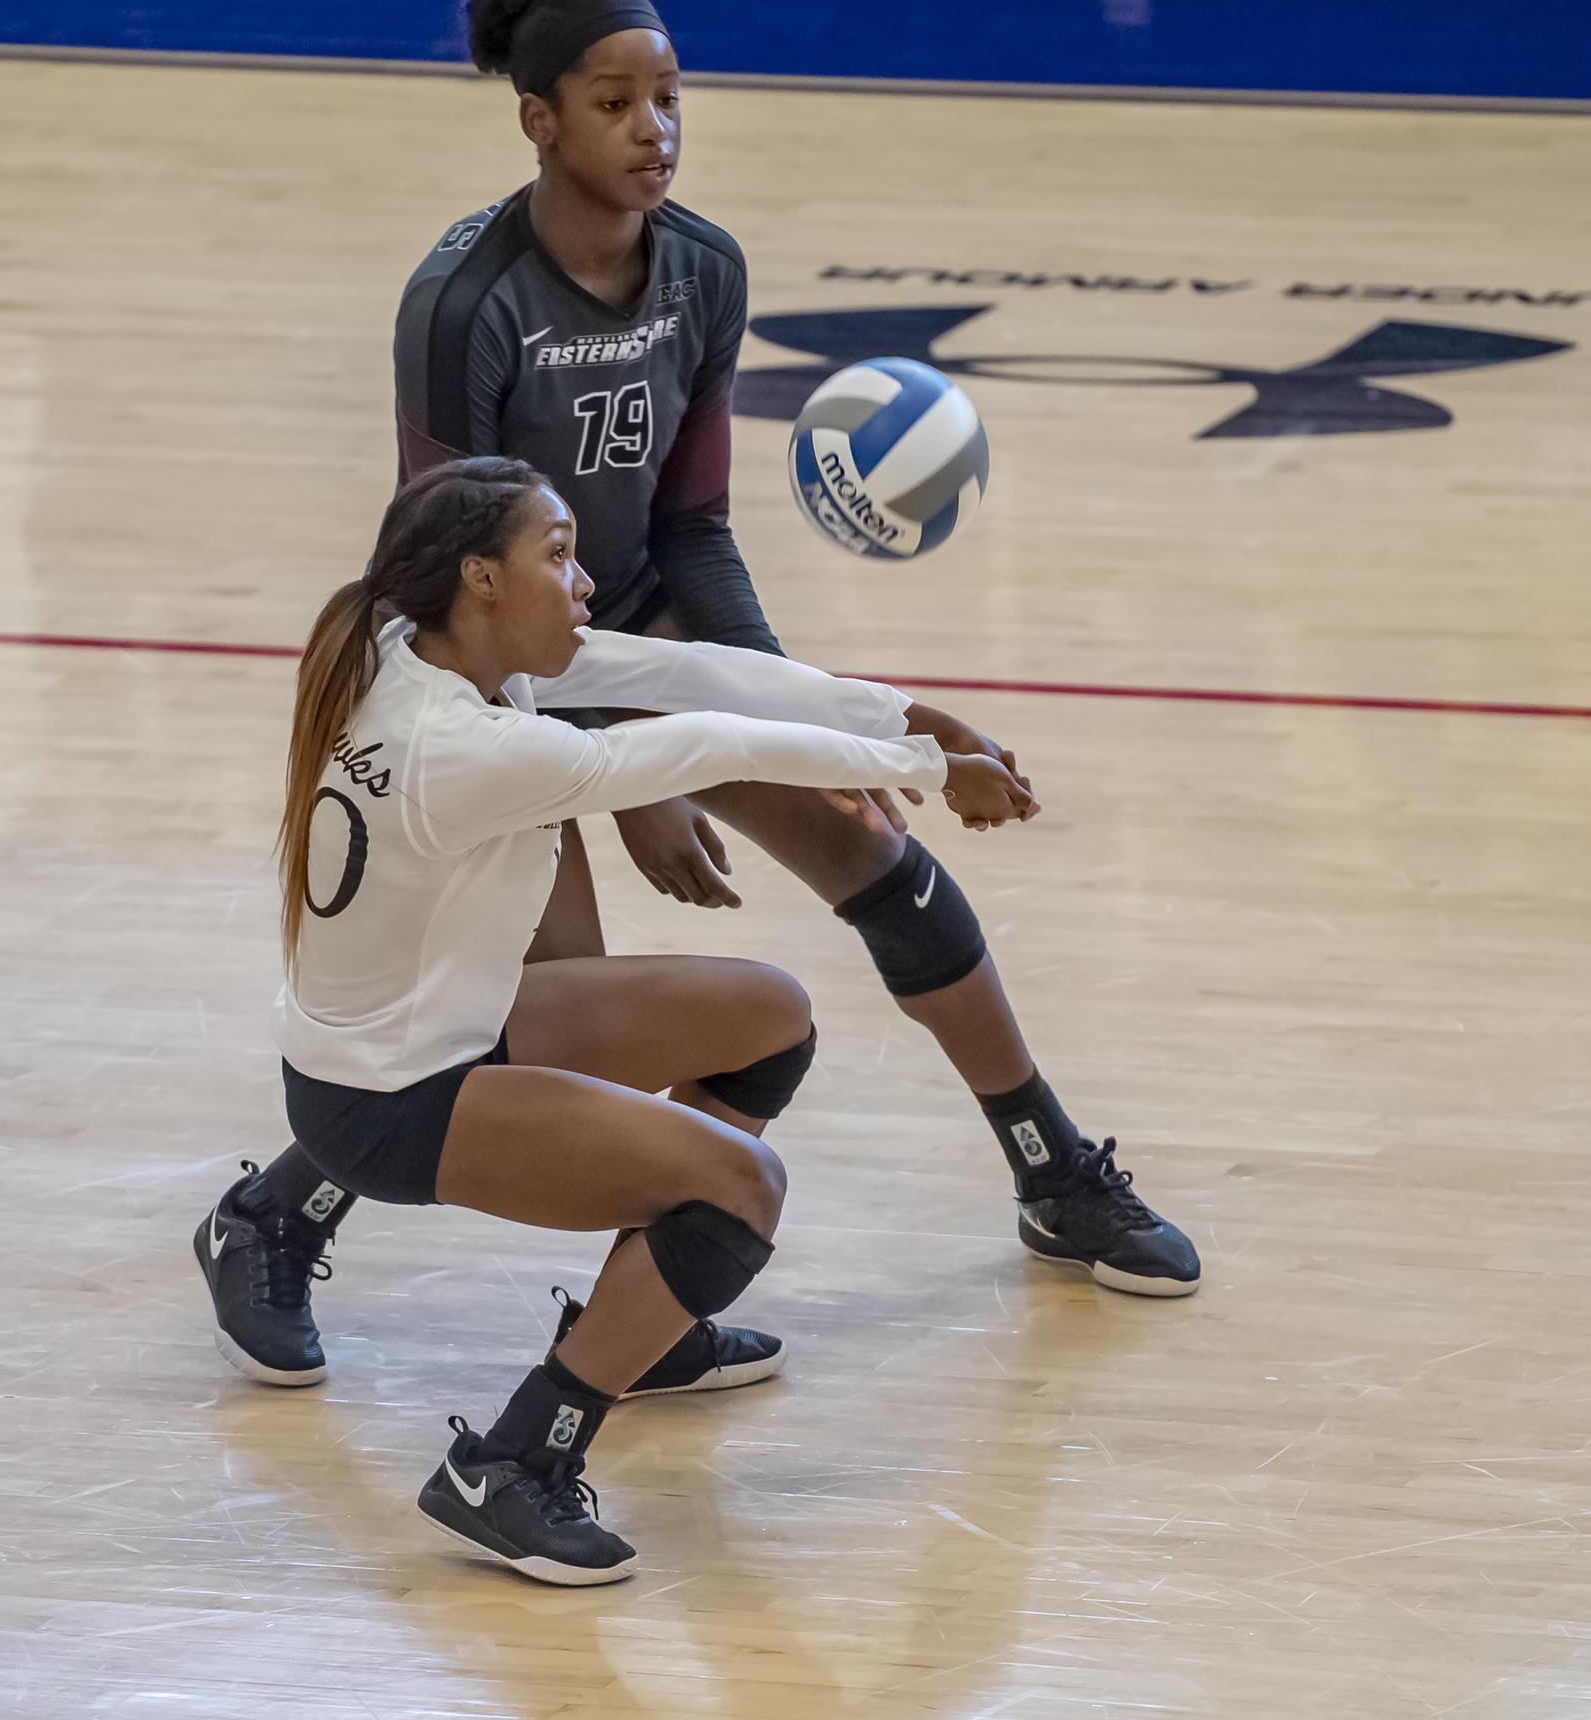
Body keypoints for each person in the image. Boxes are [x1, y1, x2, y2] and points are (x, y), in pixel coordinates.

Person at [198, 0, 1197, 1396]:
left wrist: (764, 706)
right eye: (614, 102)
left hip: (642, 622)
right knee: (537, 1032)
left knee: (878, 854)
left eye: (669, 97)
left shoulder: (705, 272)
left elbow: (696, 524)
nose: (652, 129)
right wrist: (623, 784)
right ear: (539, 118)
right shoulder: (468, 304)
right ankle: (279, 1215)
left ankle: (1052, 1168)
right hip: (506, 678)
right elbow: (449, 564)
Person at [206, 454, 1034, 1583]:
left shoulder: (403, 649)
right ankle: (513, 1462)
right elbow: (711, 744)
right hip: (394, 1099)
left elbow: (700, 671)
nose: (587, 578)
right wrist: (924, 765)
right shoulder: (469, 750)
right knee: (741, 1188)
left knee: (766, 1016)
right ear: (482, 579)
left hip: (436, 1026)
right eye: (558, 554)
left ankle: (644, 1332)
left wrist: (908, 716)